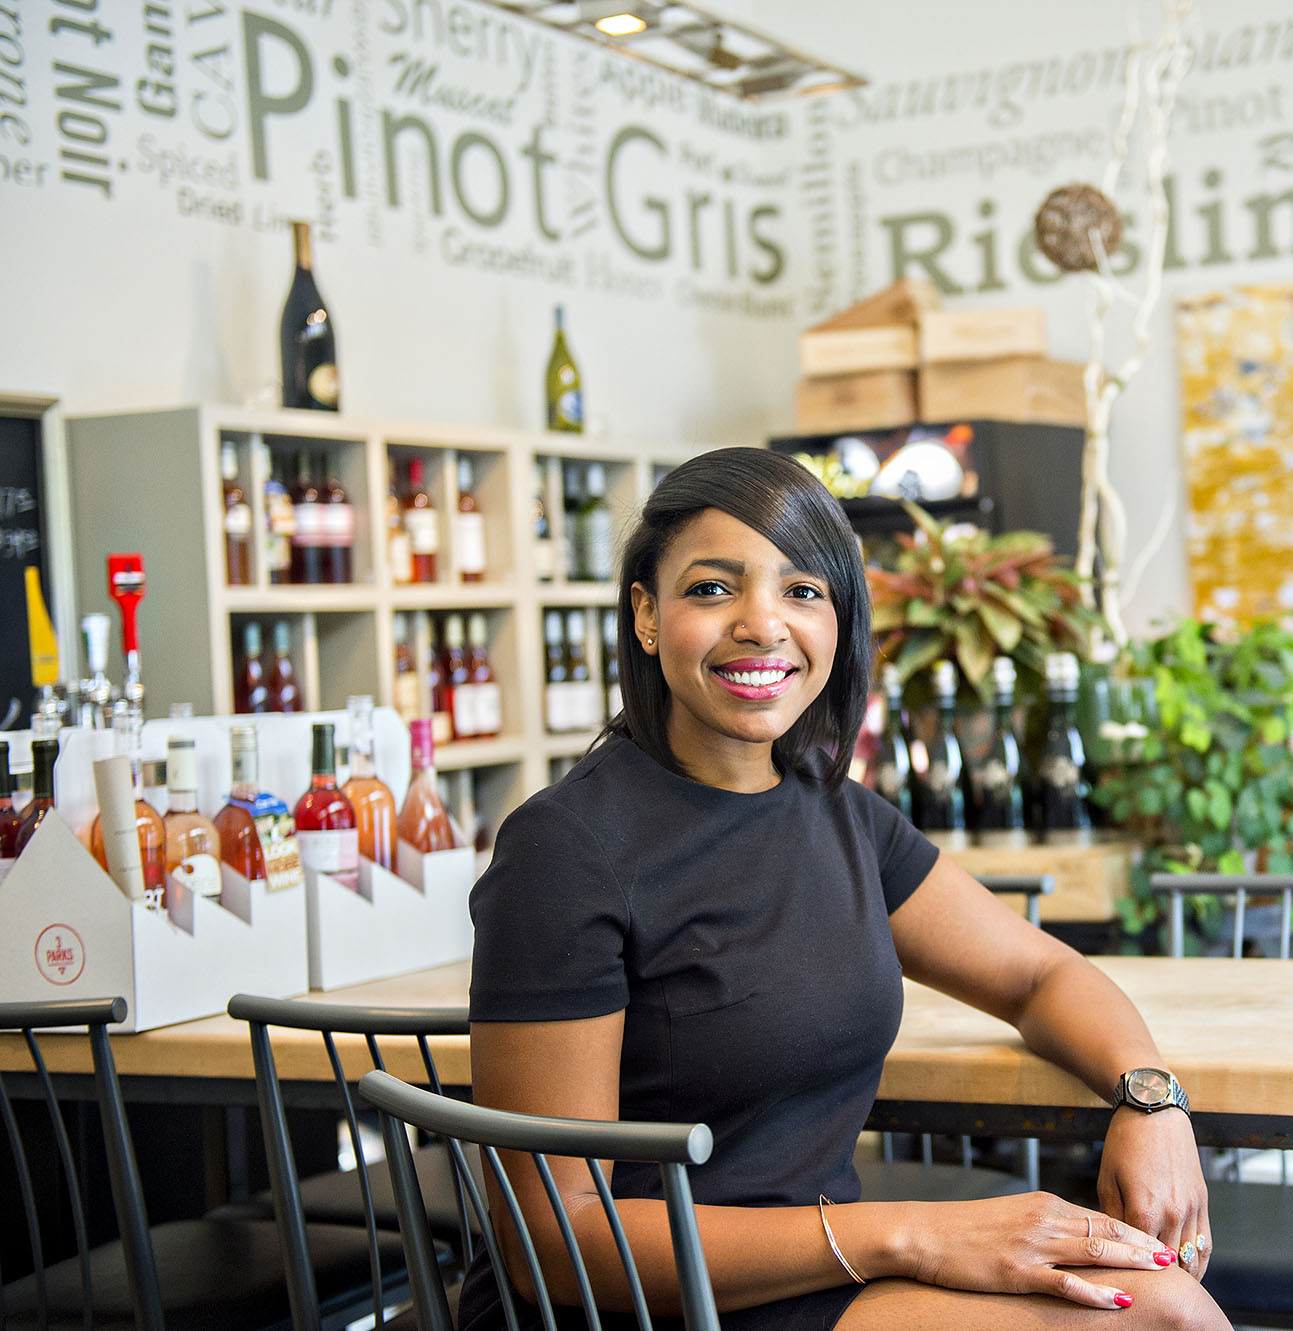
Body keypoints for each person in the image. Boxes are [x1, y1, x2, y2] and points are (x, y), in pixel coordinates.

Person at [462, 448, 1226, 1331]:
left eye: (802, 589)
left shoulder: (840, 813)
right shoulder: (565, 849)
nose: (762, 623)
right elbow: (553, 1242)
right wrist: (915, 1235)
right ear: (646, 614)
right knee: (1160, 1315)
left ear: (838, 620)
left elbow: (1038, 974)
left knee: (1161, 1299)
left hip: (817, 1273)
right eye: (712, 588)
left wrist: (1150, 1098)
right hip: (643, 1303)